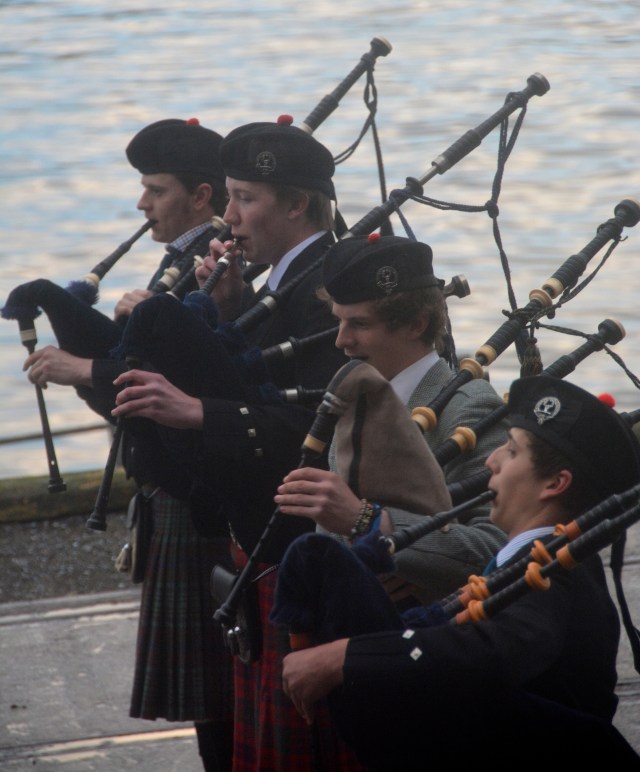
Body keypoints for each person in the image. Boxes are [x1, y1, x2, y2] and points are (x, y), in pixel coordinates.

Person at [111, 117, 356, 770]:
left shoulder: (326, 291)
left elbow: (318, 430)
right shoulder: (281, 281)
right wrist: (224, 309)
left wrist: (196, 412)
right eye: (228, 197)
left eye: (244, 198)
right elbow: (257, 380)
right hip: (264, 533)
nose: (229, 217)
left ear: (297, 204)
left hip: (302, 539)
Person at [277, 374, 640, 768]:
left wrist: (346, 657)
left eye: (511, 451)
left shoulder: (559, 571)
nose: (491, 460)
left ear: (555, 483)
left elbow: (498, 648)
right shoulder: (537, 559)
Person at [22, 118, 234, 772]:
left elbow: (177, 380)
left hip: (202, 498)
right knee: (210, 697)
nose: (142, 204)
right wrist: (63, 308)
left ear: (201, 195)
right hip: (171, 489)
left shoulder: (219, 264)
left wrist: (83, 367)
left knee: (221, 693)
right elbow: (131, 363)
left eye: (155, 189)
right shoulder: (181, 260)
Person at [275, 234, 510, 603]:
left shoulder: (468, 408)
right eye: (338, 321)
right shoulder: (358, 396)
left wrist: (367, 523)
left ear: (416, 324)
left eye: (360, 324)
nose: (341, 340)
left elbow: (497, 548)